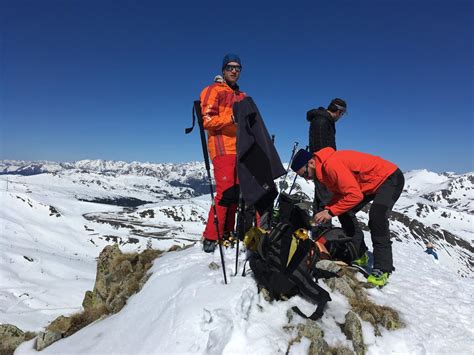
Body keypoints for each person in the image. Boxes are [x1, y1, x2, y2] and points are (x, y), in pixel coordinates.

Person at [290, 147, 405, 286]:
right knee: (343, 210)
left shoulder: (331, 165)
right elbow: (341, 194)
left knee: (377, 217)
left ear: (311, 163)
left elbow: (354, 196)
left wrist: (330, 212)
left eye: (305, 174)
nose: (307, 178)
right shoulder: (323, 171)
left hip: (390, 178)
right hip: (367, 184)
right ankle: (360, 253)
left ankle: (382, 268)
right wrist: (328, 209)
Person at [199, 53, 246, 253]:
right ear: (223, 70)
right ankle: (211, 236)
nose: (234, 71)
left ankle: (228, 231)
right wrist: (231, 119)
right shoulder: (213, 91)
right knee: (225, 193)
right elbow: (207, 121)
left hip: (240, 149)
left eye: (238, 68)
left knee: (235, 195)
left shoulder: (242, 96)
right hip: (222, 148)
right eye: (230, 67)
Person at [306, 98, 346, 221]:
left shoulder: (322, 120)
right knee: (325, 202)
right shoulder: (322, 121)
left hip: (322, 166)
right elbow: (322, 148)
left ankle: (319, 232)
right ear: (339, 112)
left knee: (320, 201)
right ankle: (322, 233)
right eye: (342, 114)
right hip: (324, 168)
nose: (341, 117)